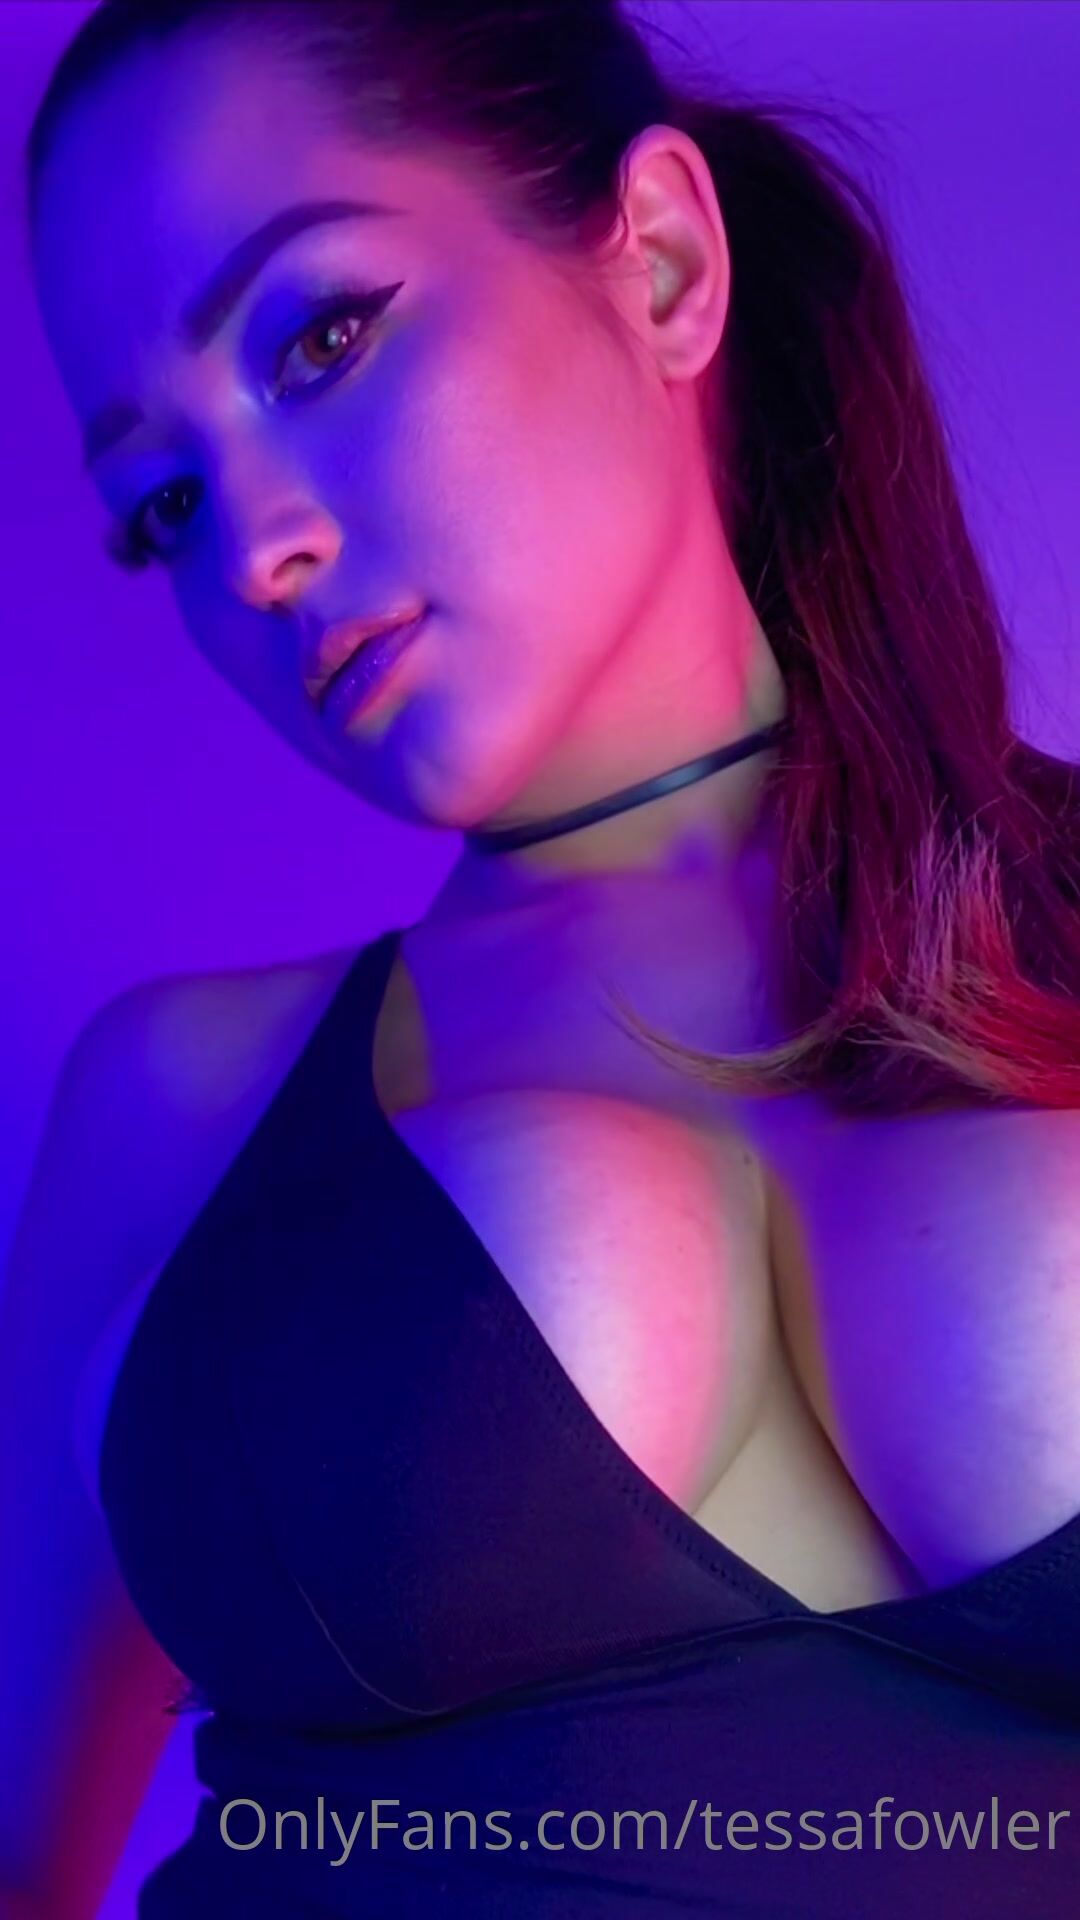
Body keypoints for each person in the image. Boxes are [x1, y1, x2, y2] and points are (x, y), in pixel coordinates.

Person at [5, 0, 1080, 1912]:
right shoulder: (182, 1103)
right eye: (162, 502)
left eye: (319, 337)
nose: (250, 550)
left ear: (657, 261)